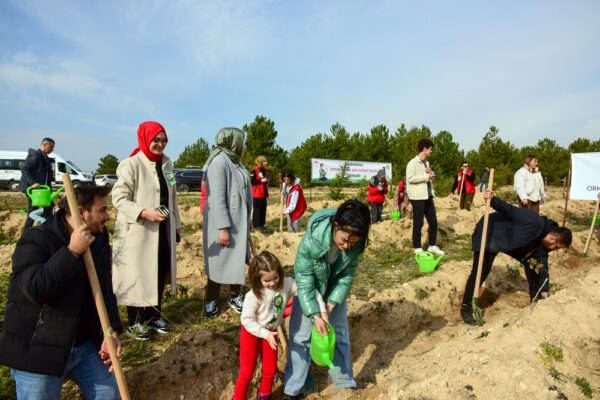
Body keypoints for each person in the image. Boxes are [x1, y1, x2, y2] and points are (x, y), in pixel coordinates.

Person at [0, 186, 123, 399]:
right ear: (81, 212)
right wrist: (71, 252)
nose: (108, 215)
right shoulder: (36, 239)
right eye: (102, 210)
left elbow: (105, 290)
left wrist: (110, 332)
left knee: (110, 393)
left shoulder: (98, 238)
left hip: (84, 347)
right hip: (37, 351)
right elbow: (36, 289)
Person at [283, 199, 371, 399]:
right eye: (343, 240)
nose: (346, 246)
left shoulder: (356, 242)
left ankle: (343, 383)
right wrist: (315, 314)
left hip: (332, 288)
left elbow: (346, 276)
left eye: (353, 243)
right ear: (336, 226)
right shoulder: (314, 238)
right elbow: (304, 279)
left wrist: (331, 304)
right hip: (308, 287)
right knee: (301, 335)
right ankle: (294, 387)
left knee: (338, 333)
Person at [112, 121, 181, 340]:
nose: (160, 144)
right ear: (145, 139)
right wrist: (143, 212)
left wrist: (176, 226)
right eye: (156, 140)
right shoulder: (131, 165)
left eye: (163, 140)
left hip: (162, 231)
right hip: (139, 231)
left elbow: (173, 199)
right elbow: (119, 198)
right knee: (138, 273)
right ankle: (134, 322)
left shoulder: (167, 165)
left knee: (158, 270)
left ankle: (154, 315)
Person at [460, 190, 572, 325]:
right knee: (480, 271)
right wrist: (493, 199)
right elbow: (510, 210)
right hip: (492, 232)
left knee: (533, 266)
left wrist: (545, 291)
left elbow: (542, 267)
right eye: (557, 247)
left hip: (514, 241)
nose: (555, 250)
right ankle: (466, 308)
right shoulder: (532, 220)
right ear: (553, 239)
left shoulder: (544, 244)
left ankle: (536, 300)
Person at [233, 251, 326, 400]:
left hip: (272, 332)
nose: (273, 283)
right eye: (267, 281)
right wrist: (264, 333)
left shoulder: (287, 284)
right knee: (247, 371)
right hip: (252, 332)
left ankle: (264, 395)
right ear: (258, 279)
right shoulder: (253, 296)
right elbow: (246, 320)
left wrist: (319, 311)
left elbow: (308, 291)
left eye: (275, 277)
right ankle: (238, 397)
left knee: (270, 370)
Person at [202, 127, 252, 317]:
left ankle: (235, 295)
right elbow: (217, 198)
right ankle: (212, 299)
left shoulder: (237, 163)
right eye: (243, 141)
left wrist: (247, 219)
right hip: (223, 223)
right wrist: (223, 227)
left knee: (236, 259)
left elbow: (244, 192)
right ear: (234, 141)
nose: (245, 146)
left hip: (238, 222)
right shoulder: (219, 162)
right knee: (219, 262)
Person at [406, 138, 444, 255]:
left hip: (428, 196)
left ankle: (432, 245)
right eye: (430, 149)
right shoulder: (412, 163)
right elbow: (410, 179)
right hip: (417, 197)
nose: (431, 151)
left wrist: (431, 175)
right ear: (424, 149)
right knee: (418, 223)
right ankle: (417, 247)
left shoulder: (426, 163)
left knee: (433, 221)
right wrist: (425, 176)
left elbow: (426, 177)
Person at [18, 137, 55, 229]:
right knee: (33, 210)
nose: (52, 149)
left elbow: (47, 176)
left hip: (42, 190)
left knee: (49, 208)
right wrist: (33, 182)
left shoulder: (45, 157)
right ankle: (26, 233)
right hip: (33, 189)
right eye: (51, 147)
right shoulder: (35, 155)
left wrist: (50, 191)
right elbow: (25, 169)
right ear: (44, 145)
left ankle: (48, 229)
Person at [251, 155, 269, 229]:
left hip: (263, 193)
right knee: (257, 209)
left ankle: (262, 223)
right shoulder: (254, 170)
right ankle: (256, 224)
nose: (266, 162)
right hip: (257, 194)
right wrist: (260, 180)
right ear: (261, 162)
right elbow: (252, 181)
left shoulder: (264, 170)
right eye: (264, 161)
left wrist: (266, 180)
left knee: (263, 208)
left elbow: (266, 179)